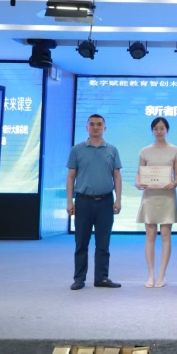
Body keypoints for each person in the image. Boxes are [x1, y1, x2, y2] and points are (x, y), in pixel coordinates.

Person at [66, 114, 122, 290]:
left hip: (106, 201)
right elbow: (71, 176)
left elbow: (117, 176)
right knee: (81, 242)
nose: (95, 127)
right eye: (92, 124)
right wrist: (69, 201)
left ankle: (102, 277)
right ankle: (79, 278)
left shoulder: (112, 150)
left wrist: (118, 200)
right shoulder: (77, 149)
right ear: (86, 127)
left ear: (105, 128)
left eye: (99, 124)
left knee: (103, 243)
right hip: (83, 201)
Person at [134, 117, 177, 288]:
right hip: (150, 196)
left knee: (166, 234)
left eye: (162, 128)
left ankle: (162, 275)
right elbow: (139, 173)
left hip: (167, 196)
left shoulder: (175, 150)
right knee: (150, 234)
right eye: (156, 128)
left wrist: (174, 183)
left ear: (167, 130)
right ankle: (151, 275)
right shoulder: (145, 151)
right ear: (152, 131)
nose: (159, 131)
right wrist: (138, 183)